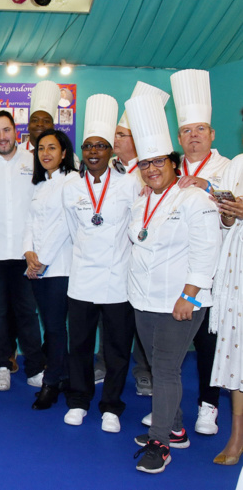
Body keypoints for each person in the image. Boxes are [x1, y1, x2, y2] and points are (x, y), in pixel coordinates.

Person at [124, 94, 221, 474]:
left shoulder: (195, 199)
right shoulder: (142, 201)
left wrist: (189, 295)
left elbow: (205, 253)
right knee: (155, 361)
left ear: (172, 163)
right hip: (143, 299)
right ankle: (177, 426)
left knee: (164, 369)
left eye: (158, 162)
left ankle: (160, 442)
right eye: (145, 163)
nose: (151, 169)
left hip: (179, 301)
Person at [61, 94, 138, 433]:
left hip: (117, 278)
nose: (93, 151)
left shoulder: (129, 184)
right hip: (81, 279)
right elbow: (68, 229)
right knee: (78, 345)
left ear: (111, 151)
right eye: (89, 145)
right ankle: (79, 401)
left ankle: (111, 407)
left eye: (101, 146)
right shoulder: (70, 186)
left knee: (116, 348)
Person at [169, 68, 228, 436]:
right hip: (175, 270)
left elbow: (235, 208)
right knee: (171, 345)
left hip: (218, 271)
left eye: (200, 130)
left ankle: (208, 406)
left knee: (209, 342)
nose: (193, 137)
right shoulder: (165, 169)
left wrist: (207, 185)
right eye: (187, 131)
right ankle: (168, 407)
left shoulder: (230, 167)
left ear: (212, 134)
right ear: (179, 136)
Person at [0, 110, 45, 392]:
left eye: (6, 130)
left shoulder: (34, 160)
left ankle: (36, 369)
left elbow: (42, 207)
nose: (1, 137)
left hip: (26, 254)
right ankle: (1, 366)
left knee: (28, 314)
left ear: (15, 131)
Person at [110, 81, 170, 396]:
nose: (114, 140)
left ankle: (143, 369)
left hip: (148, 261)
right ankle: (111, 362)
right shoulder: (106, 168)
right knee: (118, 321)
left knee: (146, 323)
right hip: (114, 259)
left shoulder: (149, 178)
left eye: (121, 135)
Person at [23, 128, 77, 410]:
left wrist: (41, 259)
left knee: (55, 329)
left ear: (64, 153)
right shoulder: (40, 184)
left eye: (52, 148)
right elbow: (29, 223)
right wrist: (29, 252)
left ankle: (51, 383)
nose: (45, 153)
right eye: (41, 148)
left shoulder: (72, 182)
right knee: (51, 327)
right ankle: (65, 376)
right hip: (37, 268)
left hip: (60, 267)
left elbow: (66, 225)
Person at [210, 130, 243, 465]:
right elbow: (225, 222)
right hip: (237, 273)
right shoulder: (238, 165)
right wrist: (229, 214)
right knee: (238, 353)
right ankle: (237, 434)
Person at [23, 80, 60, 151]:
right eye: (35, 120)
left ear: (53, 127)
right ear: (28, 126)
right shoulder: (15, 154)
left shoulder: (63, 155)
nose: (40, 124)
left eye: (46, 121)